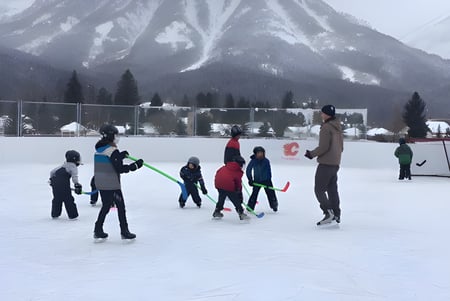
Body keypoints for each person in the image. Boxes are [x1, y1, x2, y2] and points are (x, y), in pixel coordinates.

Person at [93, 124, 144, 240]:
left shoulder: (100, 149)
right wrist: (135, 166)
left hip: (101, 182)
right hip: (111, 184)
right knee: (120, 206)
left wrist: (121, 156)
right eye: (115, 135)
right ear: (110, 136)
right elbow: (119, 168)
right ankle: (124, 231)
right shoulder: (112, 150)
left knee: (106, 206)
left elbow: (110, 161)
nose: (117, 137)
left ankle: (98, 229)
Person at [305, 105, 344, 225]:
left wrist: (311, 154)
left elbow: (323, 147)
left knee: (319, 189)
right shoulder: (337, 127)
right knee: (332, 190)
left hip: (326, 164)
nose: (321, 115)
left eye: (322, 113)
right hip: (335, 164)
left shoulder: (326, 127)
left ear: (327, 114)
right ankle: (336, 213)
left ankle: (328, 212)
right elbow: (341, 147)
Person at [213, 155, 250, 220]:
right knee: (235, 200)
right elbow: (238, 184)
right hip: (228, 185)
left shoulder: (226, 166)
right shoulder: (237, 171)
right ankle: (241, 213)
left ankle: (217, 211)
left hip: (219, 184)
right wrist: (239, 193)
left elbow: (218, 172)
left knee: (221, 198)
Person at [49, 150, 82, 219]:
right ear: (74, 159)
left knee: (57, 198)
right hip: (63, 184)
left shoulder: (64, 164)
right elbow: (74, 176)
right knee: (68, 199)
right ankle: (73, 215)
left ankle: (55, 214)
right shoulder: (73, 166)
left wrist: (52, 181)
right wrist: (77, 184)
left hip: (55, 183)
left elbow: (52, 172)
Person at [246, 146, 278, 212]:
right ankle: (250, 207)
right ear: (255, 154)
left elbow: (269, 171)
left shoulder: (266, 161)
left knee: (271, 193)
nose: (260, 155)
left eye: (262, 153)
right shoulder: (253, 161)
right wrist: (250, 179)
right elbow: (248, 170)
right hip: (257, 181)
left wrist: (268, 180)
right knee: (254, 194)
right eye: (258, 153)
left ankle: (274, 205)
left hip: (266, 180)